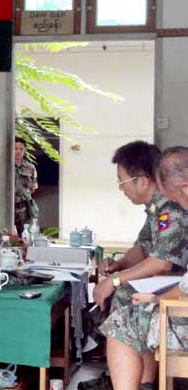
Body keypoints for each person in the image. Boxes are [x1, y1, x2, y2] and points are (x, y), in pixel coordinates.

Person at [81, 142, 187, 390]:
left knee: (126, 302)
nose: (121, 189)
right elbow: (143, 246)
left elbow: (161, 261)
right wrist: (119, 265)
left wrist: (115, 280)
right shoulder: (156, 206)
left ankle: (142, 381)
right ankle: (131, 377)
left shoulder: (169, 206)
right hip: (172, 285)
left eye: (121, 181)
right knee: (124, 294)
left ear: (141, 180)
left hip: (173, 285)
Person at [14, 137, 38, 235]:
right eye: (15, 148)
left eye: (21, 149)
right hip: (8, 206)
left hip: (24, 207)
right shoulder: (5, 166)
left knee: (24, 234)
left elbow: (33, 188)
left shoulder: (30, 168)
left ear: (25, 150)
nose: (18, 151)